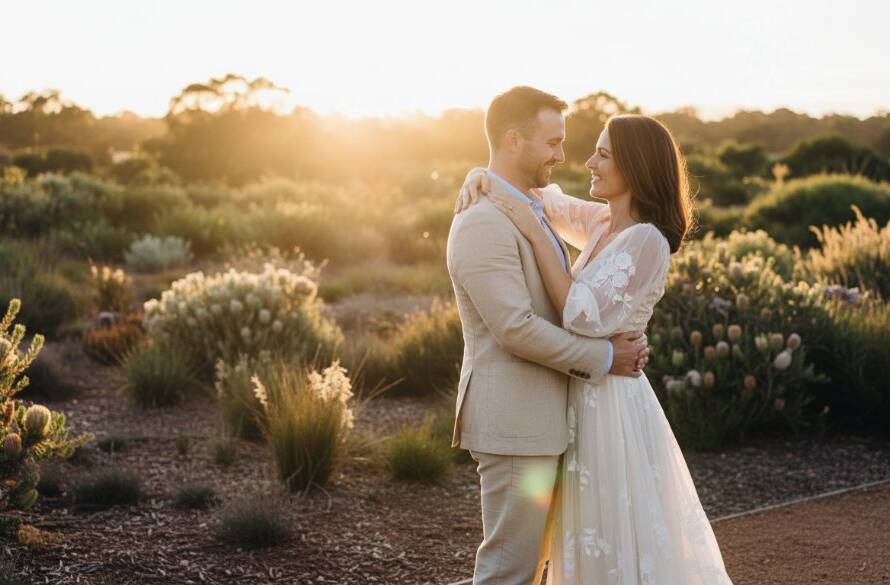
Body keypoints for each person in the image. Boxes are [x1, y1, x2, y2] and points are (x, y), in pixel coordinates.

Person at [455, 111, 734, 584]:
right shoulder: (603, 222)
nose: (587, 161)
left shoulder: (646, 239)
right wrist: (479, 175)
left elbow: (580, 313)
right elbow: (544, 199)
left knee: (614, 531)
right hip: (579, 399)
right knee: (578, 539)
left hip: (611, 404)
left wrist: (528, 226)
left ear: (636, 167)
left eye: (602, 154)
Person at [446, 86, 651, 585]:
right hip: (516, 425)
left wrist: (479, 174)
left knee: (539, 567)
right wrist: (604, 356)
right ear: (514, 141)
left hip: (549, 423)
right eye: (553, 142)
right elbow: (516, 329)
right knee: (507, 570)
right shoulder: (481, 223)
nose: (563, 156)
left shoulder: (533, 205)